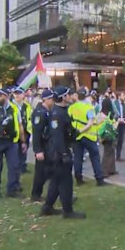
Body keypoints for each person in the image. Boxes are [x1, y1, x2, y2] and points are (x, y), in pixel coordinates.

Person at [40, 87, 86, 219]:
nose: (70, 96)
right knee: (65, 182)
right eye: (68, 95)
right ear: (63, 97)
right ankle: (68, 211)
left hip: (60, 151)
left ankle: (47, 207)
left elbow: (68, 131)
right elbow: (57, 136)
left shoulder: (61, 111)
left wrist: (77, 132)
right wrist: (64, 154)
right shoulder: (57, 114)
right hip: (59, 153)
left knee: (56, 180)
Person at [69, 87, 106, 187]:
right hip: (88, 136)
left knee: (78, 157)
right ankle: (99, 179)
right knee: (95, 157)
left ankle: (78, 178)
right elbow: (90, 123)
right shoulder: (89, 108)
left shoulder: (72, 107)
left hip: (77, 136)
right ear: (86, 95)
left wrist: (76, 132)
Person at [30, 89, 54, 202]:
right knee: (41, 172)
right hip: (43, 146)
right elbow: (37, 133)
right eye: (51, 99)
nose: (53, 101)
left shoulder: (47, 111)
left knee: (51, 171)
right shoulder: (40, 113)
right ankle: (35, 194)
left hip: (48, 145)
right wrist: (38, 150)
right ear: (46, 99)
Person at [12, 87, 33, 174]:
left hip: (25, 131)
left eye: (19, 93)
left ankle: (23, 166)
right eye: (15, 94)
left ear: (23, 95)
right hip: (15, 131)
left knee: (24, 149)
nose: (17, 95)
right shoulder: (11, 105)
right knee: (15, 150)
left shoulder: (27, 106)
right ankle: (16, 167)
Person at [113, 92, 125, 161]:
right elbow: (113, 113)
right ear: (119, 96)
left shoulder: (124, 104)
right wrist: (117, 119)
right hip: (116, 123)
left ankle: (118, 156)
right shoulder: (114, 104)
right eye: (123, 95)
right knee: (115, 140)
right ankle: (113, 155)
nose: (124, 97)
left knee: (120, 140)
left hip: (123, 124)